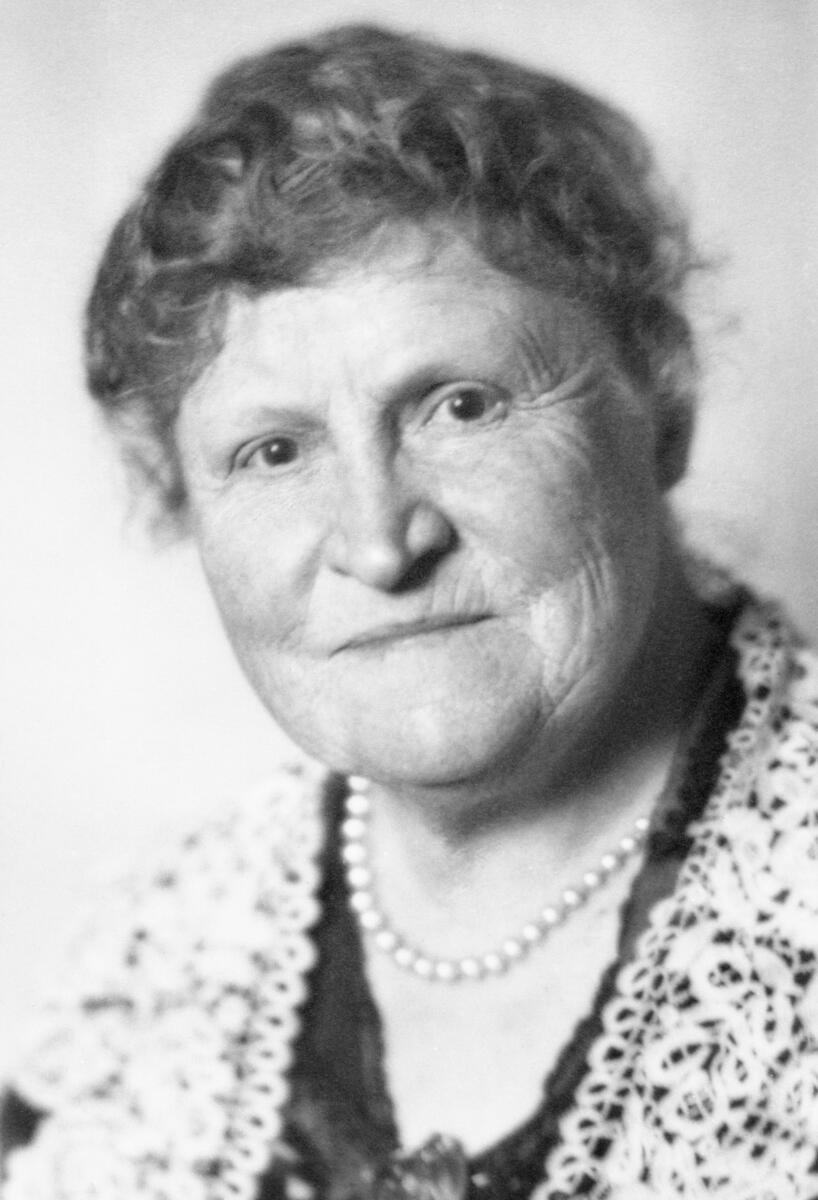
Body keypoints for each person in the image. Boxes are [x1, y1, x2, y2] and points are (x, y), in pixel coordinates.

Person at [2, 22, 818, 1200]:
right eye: (273, 450)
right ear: (182, 499)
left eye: (460, 405)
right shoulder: (151, 975)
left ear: (662, 403)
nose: (381, 543)